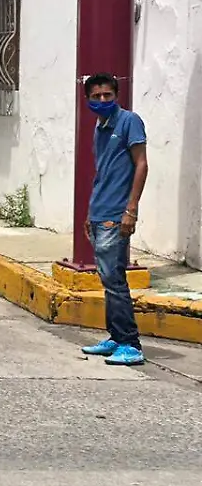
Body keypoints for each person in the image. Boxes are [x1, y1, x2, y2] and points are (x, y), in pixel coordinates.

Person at [79, 72, 149, 366]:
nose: (102, 100)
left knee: (115, 281)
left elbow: (141, 165)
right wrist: (89, 213)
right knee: (109, 280)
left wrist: (130, 210)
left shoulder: (129, 121)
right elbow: (103, 174)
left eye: (107, 95)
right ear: (89, 99)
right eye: (96, 96)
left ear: (116, 95)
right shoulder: (100, 126)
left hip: (116, 216)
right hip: (100, 213)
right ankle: (115, 337)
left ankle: (130, 343)